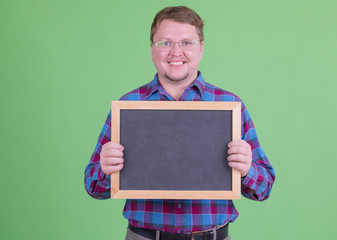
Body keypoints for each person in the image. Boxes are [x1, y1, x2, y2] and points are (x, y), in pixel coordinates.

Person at [84, 6, 275, 240]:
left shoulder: (230, 106)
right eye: (165, 43)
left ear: (201, 48)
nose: (176, 51)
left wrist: (247, 170)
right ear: (152, 48)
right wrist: (105, 169)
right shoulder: (128, 105)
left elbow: (264, 188)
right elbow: (93, 187)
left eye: (187, 42)